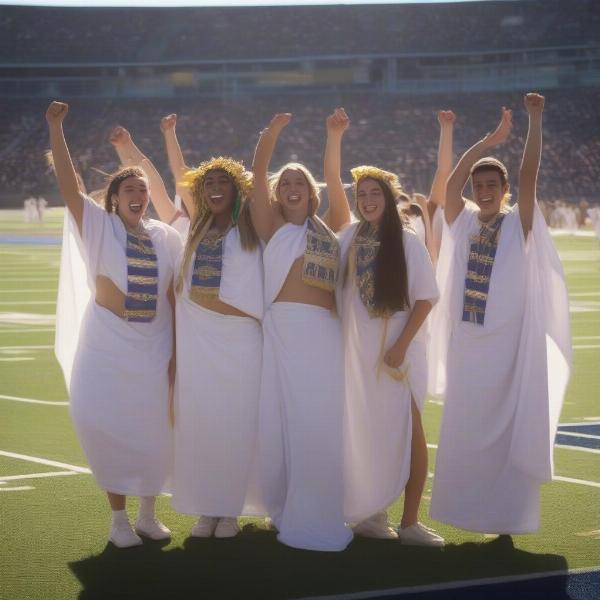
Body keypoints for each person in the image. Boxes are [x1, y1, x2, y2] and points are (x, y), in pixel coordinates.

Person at [429, 96, 571, 535]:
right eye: (480, 185)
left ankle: (506, 520)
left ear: (504, 191)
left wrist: (534, 119)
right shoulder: (465, 222)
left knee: (507, 437)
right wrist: (488, 140)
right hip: (468, 348)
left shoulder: (518, 224)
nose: (485, 191)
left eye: (493, 185)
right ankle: (467, 514)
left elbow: (529, 176)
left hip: (508, 353)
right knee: (465, 436)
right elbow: (450, 187)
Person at [48, 101, 182, 548]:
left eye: (142, 189)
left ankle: (147, 513)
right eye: (129, 189)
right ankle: (118, 519)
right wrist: (56, 129)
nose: (138, 195)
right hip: (106, 346)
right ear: (115, 197)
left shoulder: (165, 237)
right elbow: (69, 188)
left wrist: (177, 355)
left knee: (154, 431)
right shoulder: (99, 227)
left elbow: (173, 297)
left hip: (153, 348)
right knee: (102, 422)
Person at [324, 109, 443, 546]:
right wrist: (333, 138)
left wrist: (400, 347)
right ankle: (372, 514)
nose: (367, 199)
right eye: (362, 194)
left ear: (388, 197)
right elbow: (331, 185)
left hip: (398, 353)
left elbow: (427, 298)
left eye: (374, 193)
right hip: (357, 356)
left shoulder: (407, 239)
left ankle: (410, 522)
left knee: (410, 432)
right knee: (365, 432)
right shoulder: (348, 237)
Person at [251, 112, 353, 551]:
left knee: (323, 422)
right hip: (287, 332)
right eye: (286, 181)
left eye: (301, 182)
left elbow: (334, 177)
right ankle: (288, 505)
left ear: (311, 193)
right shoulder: (271, 225)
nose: (293, 186)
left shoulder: (328, 225)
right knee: (289, 421)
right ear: (279, 193)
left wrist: (333, 136)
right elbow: (256, 174)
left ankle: (323, 504)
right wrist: (271, 134)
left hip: (327, 334)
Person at [171, 156, 265, 538]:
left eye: (222, 183)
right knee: (203, 423)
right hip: (199, 343)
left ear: (237, 190)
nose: (214, 189)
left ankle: (231, 509)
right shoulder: (193, 233)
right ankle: (208, 507)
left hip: (240, 341)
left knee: (237, 425)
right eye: (208, 183)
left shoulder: (251, 232)